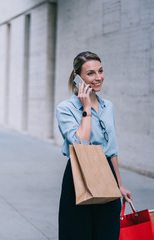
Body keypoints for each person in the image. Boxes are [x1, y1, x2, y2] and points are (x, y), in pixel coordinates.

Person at [56, 51, 132, 239]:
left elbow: (112, 149)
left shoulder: (109, 106)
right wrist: (87, 108)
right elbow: (80, 142)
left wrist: (119, 184)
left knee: (108, 232)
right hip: (78, 173)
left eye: (100, 71)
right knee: (78, 232)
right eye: (90, 73)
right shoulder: (65, 109)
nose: (98, 78)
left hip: (107, 173)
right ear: (77, 78)